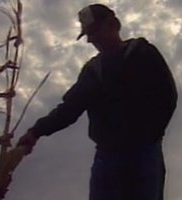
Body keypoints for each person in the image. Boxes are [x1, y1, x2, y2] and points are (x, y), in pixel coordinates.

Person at [17, 4, 177, 200]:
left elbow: (167, 95)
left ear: (113, 24)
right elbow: (69, 109)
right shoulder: (93, 71)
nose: (91, 39)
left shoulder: (142, 53)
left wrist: (149, 135)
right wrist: (36, 132)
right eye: (88, 34)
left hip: (143, 153)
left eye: (94, 31)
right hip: (107, 158)